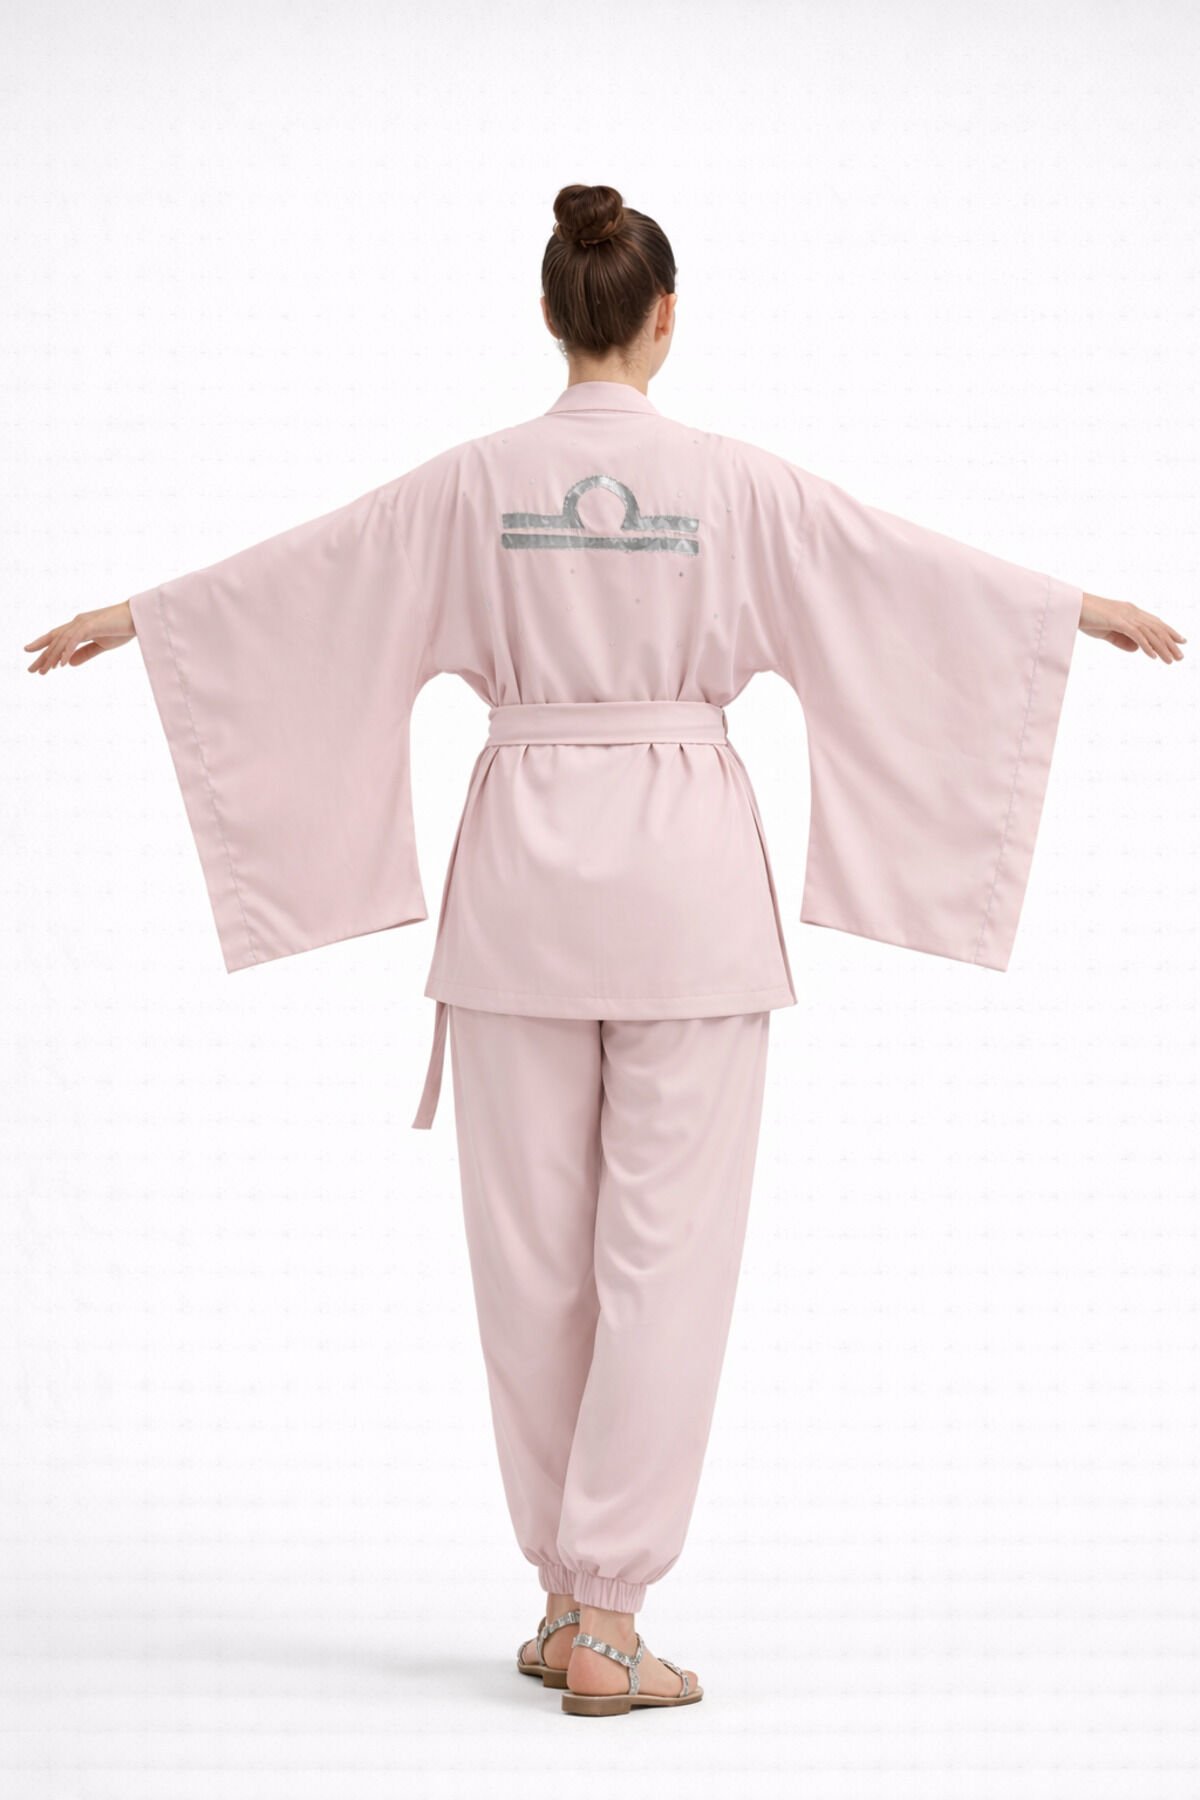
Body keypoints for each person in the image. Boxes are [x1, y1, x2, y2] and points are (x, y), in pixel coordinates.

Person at [23, 183, 1185, 1717]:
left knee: (528, 1262)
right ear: (665, 317)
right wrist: (1064, 613)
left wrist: (146, 620)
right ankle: (612, 1619)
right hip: (687, 893)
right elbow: (895, 573)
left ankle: (567, 1595)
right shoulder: (735, 485)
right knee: (665, 1260)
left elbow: (314, 578)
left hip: (519, 892)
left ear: (551, 315)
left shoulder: (473, 484)